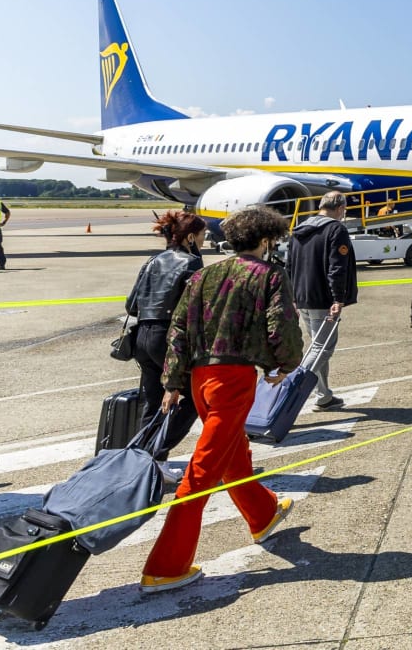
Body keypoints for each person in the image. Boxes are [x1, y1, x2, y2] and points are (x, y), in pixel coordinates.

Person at [140, 205, 303, 594]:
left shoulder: (204, 274)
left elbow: (179, 329)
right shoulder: (269, 274)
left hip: (199, 378)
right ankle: (165, 567)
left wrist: (173, 381)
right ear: (266, 240)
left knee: (233, 451)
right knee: (202, 472)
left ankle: (262, 514)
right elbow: (281, 324)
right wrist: (285, 365)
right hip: (233, 379)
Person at [125, 211, 206, 472]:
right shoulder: (191, 263)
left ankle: (148, 463)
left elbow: (131, 305)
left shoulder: (152, 261)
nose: (204, 240)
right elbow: (195, 309)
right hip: (169, 338)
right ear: (190, 237)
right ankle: (155, 451)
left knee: (154, 401)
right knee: (193, 397)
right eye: (202, 235)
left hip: (142, 337)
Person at [287, 191, 358, 411]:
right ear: (340, 208)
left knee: (316, 347)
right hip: (323, 298)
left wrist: (292, 296)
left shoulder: (299, 229)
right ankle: (290, 390)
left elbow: (289, 265)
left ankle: (323, 395)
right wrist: (338, 298)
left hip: (303, 297)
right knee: (322, 348)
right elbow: (337, 266)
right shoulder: (336, 229)